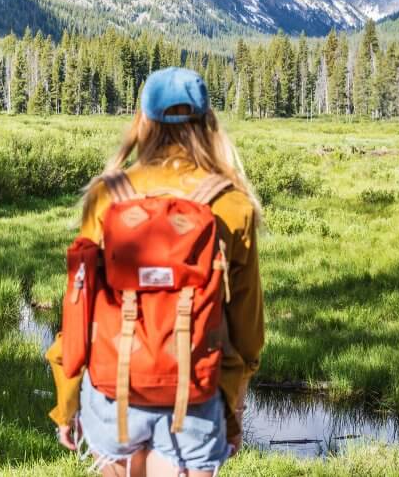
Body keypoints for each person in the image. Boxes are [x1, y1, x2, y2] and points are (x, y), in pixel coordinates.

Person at [46, 67, 264, 477]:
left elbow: (79, 309)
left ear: (143, 121)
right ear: (207, 124)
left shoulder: (108, 195)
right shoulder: (232, 204)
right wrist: (232, 406)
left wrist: (67, 402)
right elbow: (247, 331)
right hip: (195, 397)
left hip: (113, 396)